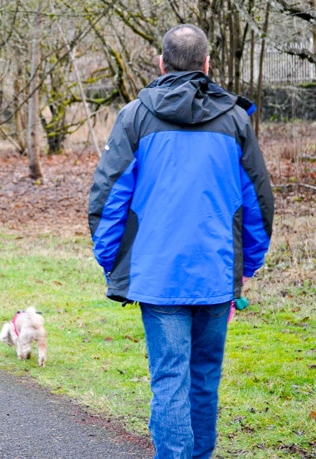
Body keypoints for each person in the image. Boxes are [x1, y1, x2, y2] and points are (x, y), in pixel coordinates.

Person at [87, 24, 274, 458]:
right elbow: (259, 201)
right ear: (207, 64)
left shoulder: (135, 115)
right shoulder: (234, 119)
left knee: (170, 379)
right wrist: (248, 264)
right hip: (215, 272)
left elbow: (107, 198)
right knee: (204, 379)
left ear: (162, 63)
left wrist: (110, 260)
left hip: (158, 274)